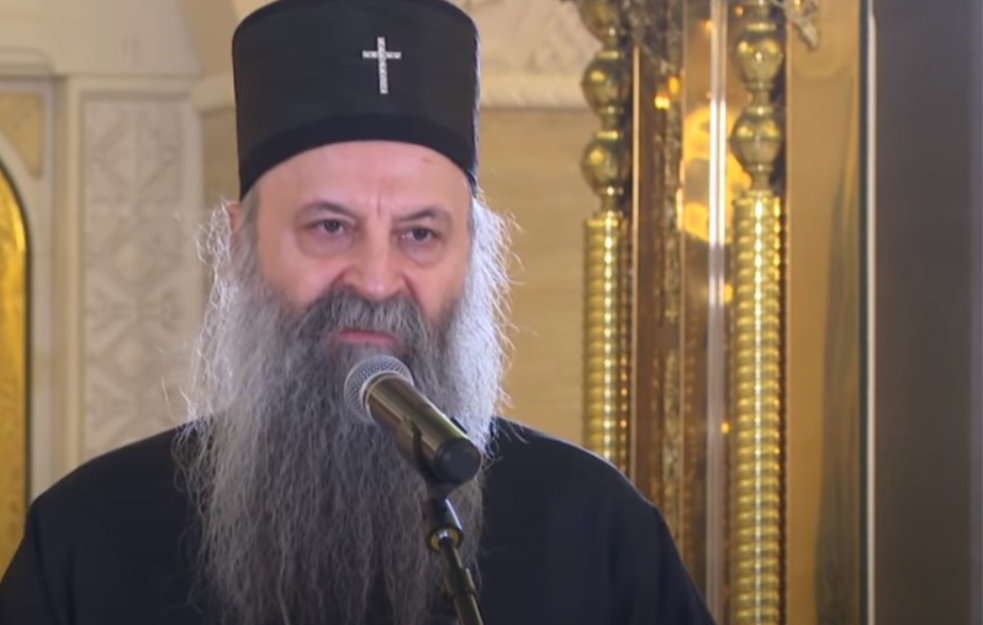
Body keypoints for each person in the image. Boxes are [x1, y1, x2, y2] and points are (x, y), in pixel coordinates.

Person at [0, 0, 716, 623]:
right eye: (330, 226)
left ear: (471, 256)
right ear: (239, 247)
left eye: (419, 234)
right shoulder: (89, 542)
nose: (375, 281)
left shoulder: (593, 531)